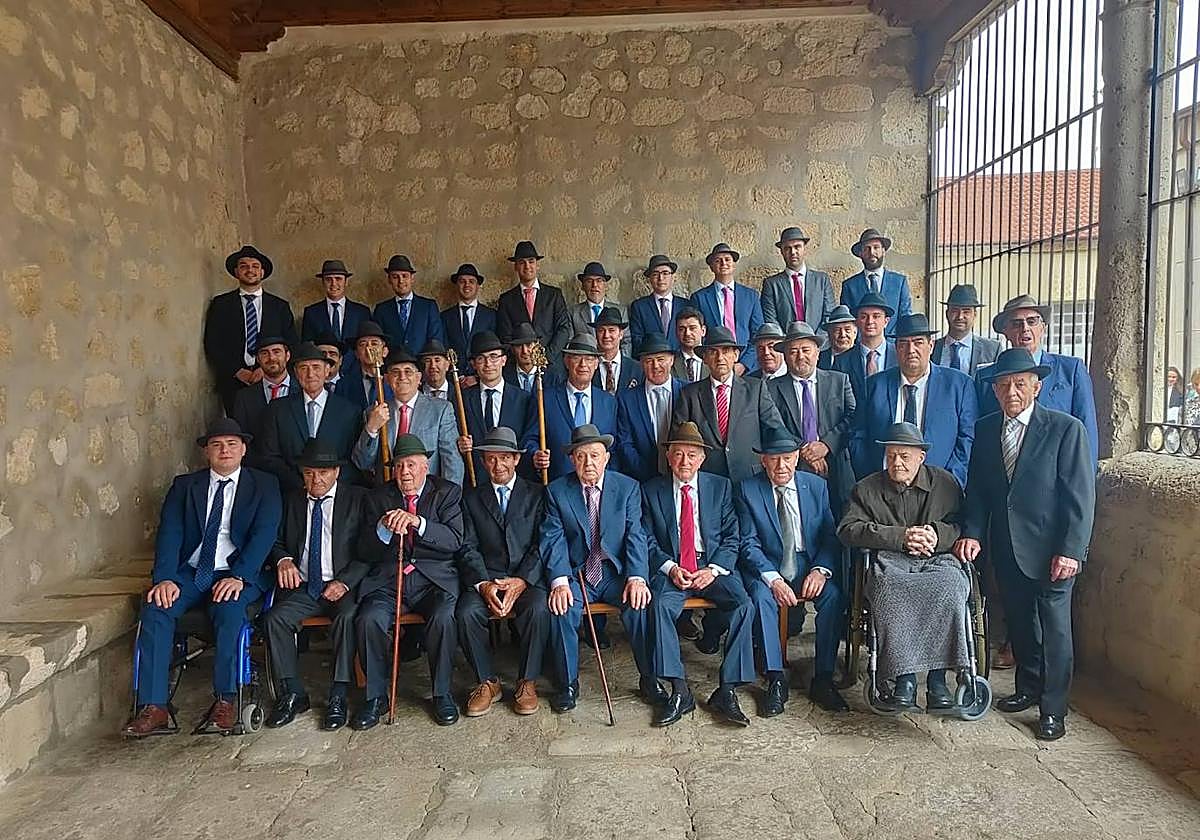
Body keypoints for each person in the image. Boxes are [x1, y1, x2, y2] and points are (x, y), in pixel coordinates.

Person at [956, 349, 1095, 741]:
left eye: (1019, 383)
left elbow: (1079, 497)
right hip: (1007, 547)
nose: (1011, 392)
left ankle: (1053, 709)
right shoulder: (985, 429)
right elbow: (979, 493)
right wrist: (972, 532)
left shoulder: (1066, 429)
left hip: (1053, 551)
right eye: (1003, 385)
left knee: (1055, 631)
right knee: (1020, 624)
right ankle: (1028, 687)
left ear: (1036, 386)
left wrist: (1071, 550)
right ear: (995, 390)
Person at [122, 418, 281, 737]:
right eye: (217, 445)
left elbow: (264, 535)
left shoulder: (264, 485)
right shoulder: (185, 486)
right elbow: (170, 534)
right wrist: (164, 578)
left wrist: (239, 576)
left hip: (237, 572)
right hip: (192, 573)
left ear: (244, 449)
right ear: (206, 451)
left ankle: (225, 701)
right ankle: (154, 707)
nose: (225, 450)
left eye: (232, 444)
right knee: (156, 608)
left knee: (230, 610)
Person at [837, 422, 970, 713]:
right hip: (891, 560)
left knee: (951, 586)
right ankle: (904, 679)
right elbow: (848, 530)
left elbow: (962, 524)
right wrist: (900, 537)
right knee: (888, 589)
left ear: (921, 457)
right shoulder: (867, 488)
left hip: (937, 559)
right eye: (892, 456)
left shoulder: (945, 483)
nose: (897, 462)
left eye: (905, 456)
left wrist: (936, 534)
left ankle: (938, 681)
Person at [643, 422, 757, 727]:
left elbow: (732, 536)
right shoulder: (651, 490)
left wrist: (713, 569)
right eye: (678, 454)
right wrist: (670, 567)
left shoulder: (719, 487)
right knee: (660, 606)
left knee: (744, 604)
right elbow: (647, 540)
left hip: (711, 565)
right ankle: (679, 690)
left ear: (702, 459)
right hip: (674, 566)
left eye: (691, 455)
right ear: (668, 456)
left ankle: (728, 689)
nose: (684, 462)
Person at [541, 425, 660, 713]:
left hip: (613, 573)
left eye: (594, 456)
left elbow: (636, 535)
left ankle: (649, 678)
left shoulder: (628, 487)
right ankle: (568, 683)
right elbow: (552, 538)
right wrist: (559, 581)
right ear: (572, 460)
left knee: (641, 603)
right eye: (581, 457)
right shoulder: (557, 491)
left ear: (606, 458)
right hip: (578, 574)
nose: (588, 463)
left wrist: (636, 577)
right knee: (560, 608)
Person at [353, 434, 465, 728]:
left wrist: (419, 523)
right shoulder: (378, 497)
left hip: (433, 581)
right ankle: (375, 696)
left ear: (426, 467)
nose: (405, 473)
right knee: (369, 618)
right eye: (400, 466)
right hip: (390, 581)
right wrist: (382, 529)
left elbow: (454, 540)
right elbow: (363, 550)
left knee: (443, 617)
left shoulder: (447, 493)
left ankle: (441, 693)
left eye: (412, 465)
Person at [735, 430, 847, 714]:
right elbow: (747, 543)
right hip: (768, 567)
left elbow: (829, 536)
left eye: (787, 459)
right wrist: (772, 578)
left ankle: (823, 678)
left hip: (807, 564)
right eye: (774, 460)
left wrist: (821, 571)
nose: (781, 466)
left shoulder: (816, 487)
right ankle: (775, 678)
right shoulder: (748, 489)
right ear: (763, 461)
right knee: (760, 598)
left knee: (834, 597)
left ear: (797, 458)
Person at [263, 440, 371, 730]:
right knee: (275, 619)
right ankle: (293, 694)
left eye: (323, 472)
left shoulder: (357, 499)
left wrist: (345, 582)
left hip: (341, 585)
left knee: (347, 617)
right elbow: (272, 539)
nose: (316, 479)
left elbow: (370, 551)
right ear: (302, 474)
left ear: (336, 471)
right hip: (305, 586)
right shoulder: (292, 501)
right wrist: (283, 559)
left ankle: (338, 693)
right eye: (309, 473)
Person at [455, 427, 550, 717]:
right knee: (465, 613)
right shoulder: (471, 498)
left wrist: (522, 580)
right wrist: (484, 584)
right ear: (484, 462)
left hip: (525, 578)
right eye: (492, 459)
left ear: (516, 460)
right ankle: (487, 681)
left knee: (538, 608)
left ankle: (527, 681)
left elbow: (542, 542)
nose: (498, 466)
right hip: (488, 577)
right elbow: (467, 547)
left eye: (504, 458)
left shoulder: (537, 494)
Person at [851, 313, 977, 487]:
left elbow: (967, 440)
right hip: (883, 489)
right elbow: (858, 436)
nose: (911, 350)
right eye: (904, 344)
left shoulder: (959, 385)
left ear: (931, 346)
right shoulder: (873, 385)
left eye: (918, 342)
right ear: (896, 348)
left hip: (940, 490)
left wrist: (949, 484)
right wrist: (872, 481)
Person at [979, 294, 1098, 465]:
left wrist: (1086, 481)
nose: (1025, 328)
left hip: (1059, 471)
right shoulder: (986, 378)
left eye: (1032, 321)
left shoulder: (1071, 370)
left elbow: (1087, 430)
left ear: (1043, 328)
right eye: (1017, 323)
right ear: (1005, 331)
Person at [672, 325, 786, 483]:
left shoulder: (756, 388)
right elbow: (679, 440)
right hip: (709, 478)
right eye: (713, 352)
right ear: (704, 358)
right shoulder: (689, 394)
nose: (720, 358)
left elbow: (775, 429)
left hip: (751, 476)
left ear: (736, 355)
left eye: (725, 351)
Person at [767, 321, 856, 515]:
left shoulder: (839, 381)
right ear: (785, 356)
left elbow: (852, 417)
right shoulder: (771, 388)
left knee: (842, 524)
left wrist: (825, 445)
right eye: (793, 351)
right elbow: (774, 425)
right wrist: (806, 451)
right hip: (793, 467)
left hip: (837, 466)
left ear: (817, 352)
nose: (801, 356)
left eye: (806, 350)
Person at [203, 245, 297, 413]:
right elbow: (213, 343)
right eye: (244, 266)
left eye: (255, 266)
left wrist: (264, 369)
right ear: (236, 272)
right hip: (234, 382)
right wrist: (237, 371)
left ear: (262, 272)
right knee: (241, 430)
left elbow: (291, 342)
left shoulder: (279, 307)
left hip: (272, 379)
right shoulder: (221, 304)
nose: (250, 270)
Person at [258, 343, 361, 493]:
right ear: (296, 372)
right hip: (291, 494)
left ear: (327, 370)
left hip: (336, 495)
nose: (310, 374)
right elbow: (270, 457)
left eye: (316, 367)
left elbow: (354, 459)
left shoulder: (349, 411)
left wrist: (327, 484)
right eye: (303, 368)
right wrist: (302, 483)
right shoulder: (277, 409)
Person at [353, 347, 462, 486]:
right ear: (386, 379)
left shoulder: (440, 409)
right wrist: (371, 429)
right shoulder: (375, 412)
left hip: (427, 498)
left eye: (408, 371)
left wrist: (446, 499)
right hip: (386, 497)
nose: (402, 377)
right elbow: (362, 463)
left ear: (418, 378)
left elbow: (452, 461)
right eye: (395, 372)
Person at [523, 333, 618, 482]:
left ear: (596, 364)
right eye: (576, 358)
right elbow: (529, 439)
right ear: (566, 361)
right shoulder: (544, 399)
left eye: (589, 359)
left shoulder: (608, 402)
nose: (583, 364)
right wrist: (535, 454)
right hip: (557, 485)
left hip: (598, 486)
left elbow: (613, 447)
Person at [455, 331, 532, 483]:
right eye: (481, 358)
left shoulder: (523, 399)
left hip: (515, 480)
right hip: (476, 480)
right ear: (474, 364)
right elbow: (456, 435)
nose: (488, 364)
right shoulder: (462, 399)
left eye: (493, 357)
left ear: (503, 360)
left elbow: (527, 440)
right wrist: (460, 444)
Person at [615, 334, 682, 482]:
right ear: (641, 364)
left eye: (660, 359)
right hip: (642, 479)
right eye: (649, 361)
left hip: (683, 477)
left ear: (671, 360)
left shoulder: (687, 392)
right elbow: (625, 443)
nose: (655, 366)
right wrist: (647, 475)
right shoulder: (626, 399)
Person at [689, 242, 764, 373]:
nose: (723, 263)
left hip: (747, 367)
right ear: (711, 267)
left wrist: (744, 364)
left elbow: (758, 334)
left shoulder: (751, 296)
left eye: (727, 260)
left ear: (734, 264)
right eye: (718, 261)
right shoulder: (699, 298)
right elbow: (699, 336)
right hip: (714, 364)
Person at [495, 240, 572, 359]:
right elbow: (505, 336)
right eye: (522, 262)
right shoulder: (506, 300)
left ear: (537, 265)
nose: (527, 266)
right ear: (515, 266)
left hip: (551, 364)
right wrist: (522, 360)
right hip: (519, 366)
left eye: (531, 261)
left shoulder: (554, 295)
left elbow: (564, 329)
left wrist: (546, 356)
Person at [760, 226, 836, 334]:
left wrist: (816, 342)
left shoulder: (821, 280)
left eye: (797, 247)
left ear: (804, 248)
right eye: (787, 248)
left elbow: (829, 315)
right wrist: (787, 344)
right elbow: (771, 320)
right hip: (786, 347)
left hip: (820, 346)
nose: (793, 252)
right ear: (781, 251)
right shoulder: (772, 284)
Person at [838, 228, 912, 336]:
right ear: (861, 254)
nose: (871, 252)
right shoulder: (850, 286)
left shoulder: (899, 282)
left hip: (893, 346)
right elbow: (848, 320)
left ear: (883, 250)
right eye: (867, 249)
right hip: (861, 346)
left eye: (876, 247)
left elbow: (905, 318)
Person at [300, 259, 370, 367]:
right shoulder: (311, 312)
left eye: (338, 279)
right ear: (323, 282)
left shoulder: (361, 312)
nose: (334, 284)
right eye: (329, 279)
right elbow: (308, 346)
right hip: (325, 371)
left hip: (355, 370)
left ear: (346, 282)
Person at [372, 254, 446, 355]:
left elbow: (435, 341)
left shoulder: (428, 307)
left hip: (421, 367)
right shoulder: (382, 310)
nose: (401, 281)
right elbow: (379, 342)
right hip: (393, 367)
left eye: (404, 276)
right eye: (395, 277)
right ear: (389, 280)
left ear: (412, 278)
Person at [832, 292, 898, 403]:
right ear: (857, 322)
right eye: (864, 316)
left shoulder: (899, 356)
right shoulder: (841, 362)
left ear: (886, 321)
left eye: (876, 316)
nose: (870, 321)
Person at [441, 263, 496, 386]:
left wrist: (477, 377)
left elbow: (494, 351)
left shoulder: (491, 316)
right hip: (454, 382)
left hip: (482, 381)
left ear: (477, 286)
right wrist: (457, 376)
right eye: (462, 281)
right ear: (457, 285)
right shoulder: (445, 317)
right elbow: (444, 347)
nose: (467, 285)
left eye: (471, 281)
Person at [228, 336, 291, 443]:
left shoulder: (303, 389)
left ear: (287, 356)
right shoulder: (244, 397)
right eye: (264, 353)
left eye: (276, 352)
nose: (271, 358)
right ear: (258, 359)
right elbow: (243, 439)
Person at [931, 284, 1000, 375]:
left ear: (974, 315)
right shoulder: (932, 348)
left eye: (966, 311)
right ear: (947, 313)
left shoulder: (992, 349)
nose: (960, 317)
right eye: (955, 311)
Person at [569, 261, 631, 357]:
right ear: (582, 286)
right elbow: (570, 343)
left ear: (605, 285)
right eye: (589, 281)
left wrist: (619, 364)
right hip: (586, 366)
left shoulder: (621, 311)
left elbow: (627, 341)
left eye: (599, 280)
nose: (594, 285)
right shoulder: (573, 312)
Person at [629, 254, 688, 352]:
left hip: (680, 361)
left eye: (665, 273)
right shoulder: (639, 307)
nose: (661, 278)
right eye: (655, 274)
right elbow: (637, 339)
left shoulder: (685, 305)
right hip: (653, 362)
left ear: (673, 277)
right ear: (650, 279)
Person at [335, 320, 391, 412]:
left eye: (374, 343)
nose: (369, 348)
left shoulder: (394, 381)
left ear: (385, 351)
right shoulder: (343, 386)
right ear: (356, 353)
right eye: (363, 344)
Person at [591, 307, 638, 393]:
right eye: (601, 330)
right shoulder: (587, 368)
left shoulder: (637, 369)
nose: (606, 335)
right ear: (596, 334)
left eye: (611, 330)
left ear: (621, 334)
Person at [671, 307, 710, 384]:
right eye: (682, 329)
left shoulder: (714, 360)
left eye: (692, 328)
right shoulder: (670, 362)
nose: (687, 333)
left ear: (703, 331)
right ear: (676, 332)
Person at [503, 323, 544, 394]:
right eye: (519, 346)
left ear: (537, 346)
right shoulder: (504, 376)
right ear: (512, 349)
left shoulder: (552, 376)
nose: (524, 351)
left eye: (528, 345)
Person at [818, 305, 857, 370]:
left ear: (855, 333)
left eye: (847, 330)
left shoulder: (862, 357)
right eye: (837, 330)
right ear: (829, 334)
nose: (843, 335)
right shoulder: (819, 358)